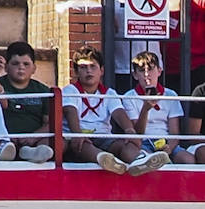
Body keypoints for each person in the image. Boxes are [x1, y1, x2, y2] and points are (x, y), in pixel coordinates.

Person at [61, 46, 169, 175]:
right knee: (82, 143)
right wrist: (77, 133)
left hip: (104, 137)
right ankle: (104, 159)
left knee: (126, 143)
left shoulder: (109, 93)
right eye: (83, 67)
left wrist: (130, 131)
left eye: (93, 66)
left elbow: (119, 113)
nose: (88, 71)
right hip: (80, 138)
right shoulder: (70, 90)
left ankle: (139, 161)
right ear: (76, 72)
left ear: (101, 70)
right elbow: (70, 111)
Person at [121, 51, 192, 164]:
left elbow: (174, 132)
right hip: (142, 143)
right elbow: (137, 133)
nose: (146, 75)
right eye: (141, 71)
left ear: (159, 71)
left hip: (165, 142)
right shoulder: (128, 97)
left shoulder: (170, 95)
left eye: (150, 69)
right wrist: (145, 109)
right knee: (142, 158)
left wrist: (170, 148)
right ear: (134, 75)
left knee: (187, 159)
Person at [0, 40, 54, 162]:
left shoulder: (44, 91)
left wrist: (33, 137)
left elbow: (49, 123)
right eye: (15, 63)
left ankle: (29, 153)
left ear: (34, 68)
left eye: (26, 64)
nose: (21, 67)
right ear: (6, 67)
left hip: (34, 142)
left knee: (51, 141)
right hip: (4, 143)